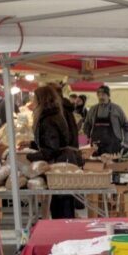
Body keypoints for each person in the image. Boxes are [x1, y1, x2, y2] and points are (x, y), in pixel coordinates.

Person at [26, 84, 80, 218]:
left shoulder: (48, 118)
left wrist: (30, 157)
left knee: (61, 207)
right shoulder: (53, 114)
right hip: (63, 163)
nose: (33, 101)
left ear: (41, 100)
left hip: (60, 166)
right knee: (62, 205)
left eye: (35, 98)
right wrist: (31, 144)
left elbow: (52, 148)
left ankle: (66, 235)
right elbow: (51, 140)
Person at [83, 85, 128, 155]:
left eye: (103, 94)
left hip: (113, 148)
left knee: (112, 166)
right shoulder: (92, 109)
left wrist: (126, 144)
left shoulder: (117, 109)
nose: (101, 97)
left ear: (108, 95)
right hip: (95, 149)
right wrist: (83, 145)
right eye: (99, 95)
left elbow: (127, 127)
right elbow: (85, 128)